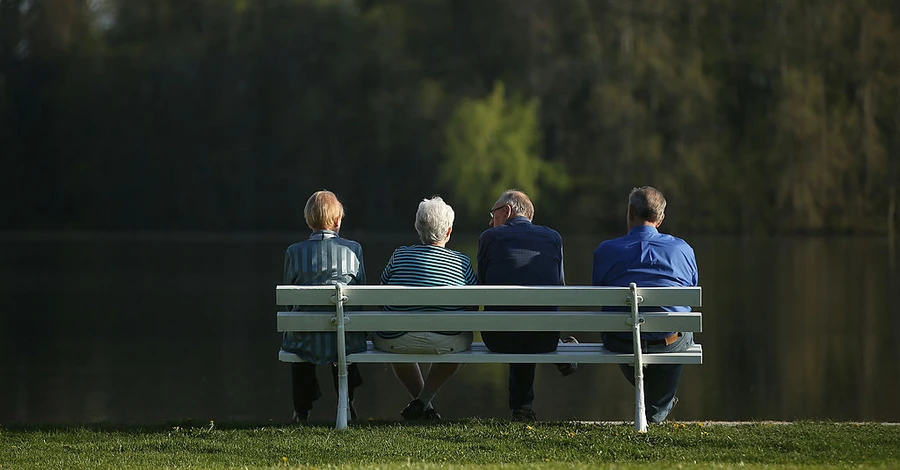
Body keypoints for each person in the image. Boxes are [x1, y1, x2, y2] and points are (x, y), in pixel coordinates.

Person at [591, 186, 698, 424]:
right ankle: (658, 408)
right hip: (668, 343)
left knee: (622, 326)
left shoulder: (606, 251)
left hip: (622, 341)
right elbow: (690, 288)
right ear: (661, 218)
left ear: (630, 212)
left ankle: (656, 407)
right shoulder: (683, 249)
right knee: (682, 326)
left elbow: (598, 291)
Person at [374, 196, 477, 421]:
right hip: (448, 341)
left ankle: (424, 407)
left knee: (397, 339)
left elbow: (380, 298)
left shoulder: (399, 255)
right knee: (459, 342)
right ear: (448, 232)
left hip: (396, 339)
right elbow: (471, 307)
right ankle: (424, 403)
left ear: (418, 228)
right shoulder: (462, 262)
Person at [476, 189, 574, 422]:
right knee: (530, 321)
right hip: (544, 338)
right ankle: (523, 405)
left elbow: (481, 287)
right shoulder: (553, 238)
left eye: (494, 213)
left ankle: (522, 406)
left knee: (516, 322)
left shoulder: (489, 238)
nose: (491, 221)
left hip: (497, 338)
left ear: (507, 211)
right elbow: (559, 288)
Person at [281, 190, 368, 422]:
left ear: (309, 220)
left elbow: (289, 299)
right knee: (344, 335)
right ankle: (347, 401)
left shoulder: (294, 252)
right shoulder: (354, 250)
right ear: (338, 220)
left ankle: (301, 410)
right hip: (346, 335)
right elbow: (361, 293)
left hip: (305, 336)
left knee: (301, 338)